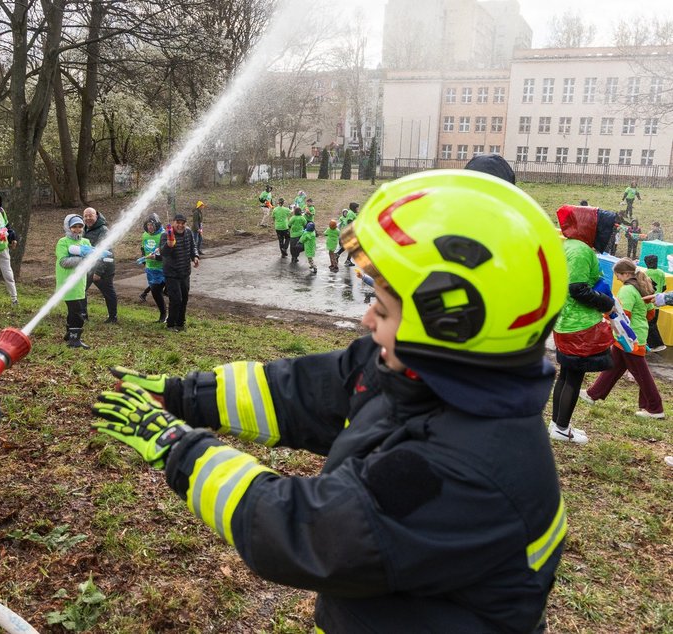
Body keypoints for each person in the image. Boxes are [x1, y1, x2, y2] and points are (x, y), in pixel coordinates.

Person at [92, 169, 568, 632]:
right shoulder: (412, 368)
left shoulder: (467, 472)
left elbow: (310, 531)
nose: (366, 319)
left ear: (450, 323)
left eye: (382, 306)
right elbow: (298, 392)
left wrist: (178, 450)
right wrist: (182, 396)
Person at [551, 204, 617, 444]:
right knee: (574, 376)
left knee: (566, 374)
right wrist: (606, 304)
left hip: (566, 321)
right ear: (587, 225)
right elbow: (577, 289)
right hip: (579, 324)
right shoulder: (580, 250)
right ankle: (561, 427)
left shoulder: (568, 246)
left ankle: (557, 425)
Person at [581, 258, 664, 418]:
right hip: (637, 334)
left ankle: (655, 408)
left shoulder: (627, 290)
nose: (617, 278)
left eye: (618, 275)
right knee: (615, 366)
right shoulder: (642, 286)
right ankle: (592, 394)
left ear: (626, 274)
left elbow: (623, 315)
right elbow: (651, 313)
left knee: (642, 374)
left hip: (629, 337)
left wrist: (607, 319)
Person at [57, 214, 96, 348]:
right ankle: (74, 340)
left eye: (80, 226)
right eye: (74, 227)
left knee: (73, 311)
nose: (77, 229)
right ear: (68, 227)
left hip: (80, 283)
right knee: (78, 312)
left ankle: (69, 334)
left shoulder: (85, 242)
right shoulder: (63, 242)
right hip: (68, 283)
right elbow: (63, 262)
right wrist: (82, 259)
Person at [161, 212, 199, 332]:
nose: (180, 225)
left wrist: (195, 257)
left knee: (184, 299)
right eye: (178, 223)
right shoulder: (166, 234)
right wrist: (169, 245)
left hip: (185, 273)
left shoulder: (188, 232)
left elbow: (193, 246)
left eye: (183, 223)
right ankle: (170, 324)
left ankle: (180, 323)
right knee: (176, 299)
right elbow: (163, 253)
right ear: (173, 222)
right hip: (171, 274)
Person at [83, 207, 119, 324]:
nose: (88, 218)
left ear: (96, 216)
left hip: (104, 269)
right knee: (81, 290)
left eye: (91, 215)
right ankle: (83, 316)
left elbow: (105, 252)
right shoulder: (84, 229)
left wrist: (98, 272)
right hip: (89, 268)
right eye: (86, 216)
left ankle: (113, 317)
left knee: (108, 292)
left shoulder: (103, 230)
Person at [139, 213, 166, 323]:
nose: (150, 227)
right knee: (155, 291)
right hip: (151, 268)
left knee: (158, 290)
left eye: (152, 225)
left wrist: (156, 257)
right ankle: (163, 314)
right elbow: (143, 248)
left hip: (163, 268)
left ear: (157, 225)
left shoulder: (163, 235)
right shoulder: (144, 235)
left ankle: (166, 315)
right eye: (148, 225)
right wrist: (144, 260)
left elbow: (167, 252)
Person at [644, 254, 667, 352]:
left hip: (648, 303)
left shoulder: (645, 273)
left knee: (649, 324)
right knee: (652, 323)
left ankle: (657, 344)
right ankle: (651, 344)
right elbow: (664, 287)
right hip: (658, 302)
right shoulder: (661, 273)